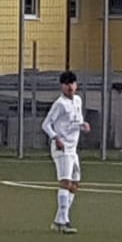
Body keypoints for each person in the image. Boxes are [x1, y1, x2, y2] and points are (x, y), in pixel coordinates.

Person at [41, 71, 90, 233]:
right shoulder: (59, 104)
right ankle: (64, 222)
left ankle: (58, 220)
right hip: (62, 148)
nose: (70, 87)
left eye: (72, 83)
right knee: (65, 182)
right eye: (66, 84)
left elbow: (76, 120)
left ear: (76, 85)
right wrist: (56, 138)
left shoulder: (77, 100)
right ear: (62, 86)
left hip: (72, 148)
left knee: (75, 184)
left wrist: (83, 125)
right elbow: (46, 124)